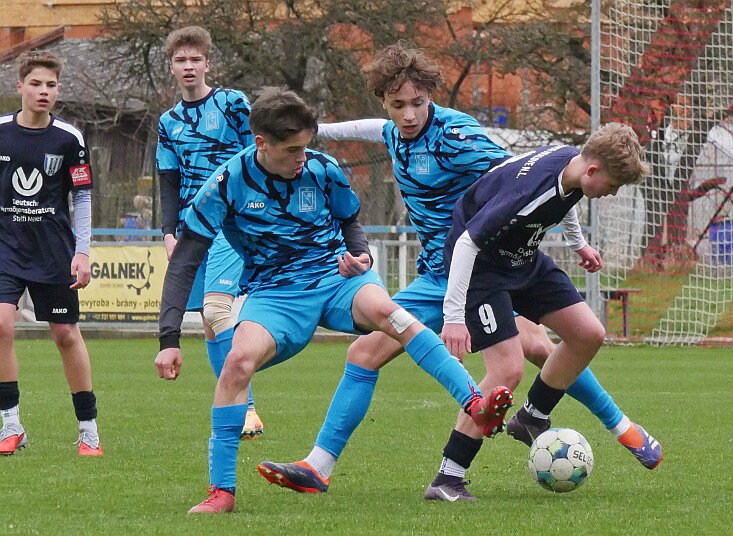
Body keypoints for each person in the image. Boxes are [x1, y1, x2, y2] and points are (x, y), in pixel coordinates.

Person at [258, 42, 661, 500]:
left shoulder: (458, 136)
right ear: (384, 101)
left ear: (430, 95)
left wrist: (572, 240)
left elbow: (522, 178)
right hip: (440, 273)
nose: (409, 114)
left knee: (536, 347)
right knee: (365, 354)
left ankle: (617, 425)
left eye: (417, 103)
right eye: (397, 105)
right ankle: (319, 467)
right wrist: (314, 132)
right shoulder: (396, 132)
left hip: (481, 265)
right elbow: (374, 128)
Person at [154, 86, 512, 514]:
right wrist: (169, 337)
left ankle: (474, 403)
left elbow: (349, 223)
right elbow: (184, 262)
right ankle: (222, 492)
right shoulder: (226, 184)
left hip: (337, 278)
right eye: (292, 150)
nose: (302, 158)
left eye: (306, 147)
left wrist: (360, 256)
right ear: (261, 143)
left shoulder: (323, 169)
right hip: (276, 293)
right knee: (237, 363)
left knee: (391, 313)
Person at [438, 122, 660, 499]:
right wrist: (454, 318)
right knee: (508, 370)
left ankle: (532, 418)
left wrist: (578, 244)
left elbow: (563, 201)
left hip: (522, 258)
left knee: (588, 333)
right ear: (593, 170)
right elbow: (466, 242)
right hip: (483, 270)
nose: (612, 193)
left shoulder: (572, 164)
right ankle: (448, 477)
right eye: (612, 185)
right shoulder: (527, 193)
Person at [157, 26, 262, 438]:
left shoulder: (232, 103)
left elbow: (257, 153)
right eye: (180, 60)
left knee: (218, 312)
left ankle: (245, 409)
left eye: (195, 59)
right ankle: (235, 405)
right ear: (171, 67)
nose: (188, 66)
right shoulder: (168, 122)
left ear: (207, 64)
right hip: (192, 228)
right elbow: (168, 180)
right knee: (208, 320)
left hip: (232, 223)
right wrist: (168, 232)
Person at [0, 50, 102, 456]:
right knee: (1, 325)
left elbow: (83, 197)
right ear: (20, 87)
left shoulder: (68, 139)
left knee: (65, 334)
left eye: (51, 85)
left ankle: (88, 428)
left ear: (58, 90)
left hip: (53, 250)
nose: (44, 91)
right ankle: (10, 424)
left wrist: (83, 252)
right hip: (6, 247)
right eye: (36, 84)